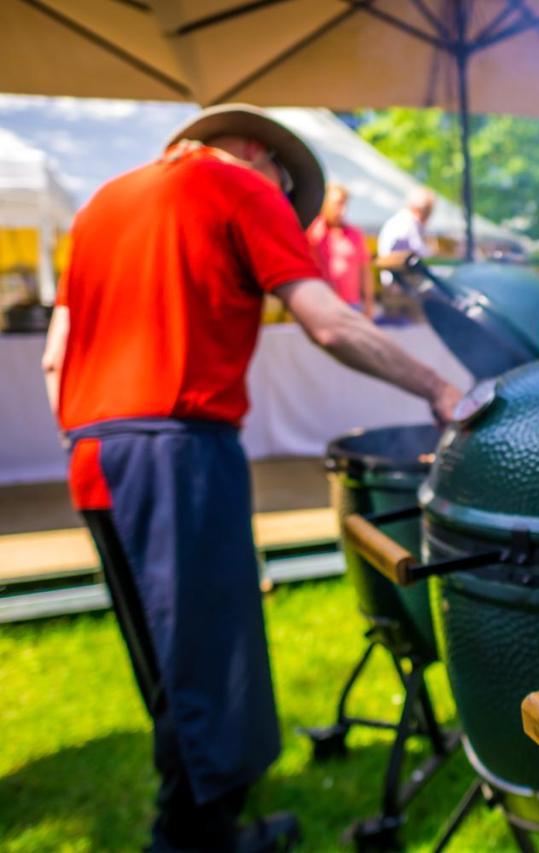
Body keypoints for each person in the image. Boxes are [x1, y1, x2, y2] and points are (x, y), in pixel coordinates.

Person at [41, 104, 464, 853]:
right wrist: (436, 387)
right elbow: (328, 321)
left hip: (94, 454)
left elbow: (55, 356)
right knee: (204, 653)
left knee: (166, 656)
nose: (282, 196)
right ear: (257, 154)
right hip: (179, 448)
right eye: (282, 179)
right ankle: (192, 838)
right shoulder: (237, 188)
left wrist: (96, 434)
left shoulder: (101, 202)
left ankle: (199, 819)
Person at [306, 182, 374, 316]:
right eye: (337, 204)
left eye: (344, 204)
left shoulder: (355, 234)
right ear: (325, 204)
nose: (342, 210)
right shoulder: (313, 231)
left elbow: (365, 271)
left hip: (351, 305)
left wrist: (368, 303)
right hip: (321, 304)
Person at [377, 186, 437, 275]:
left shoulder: (406, 222)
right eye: (427, 209)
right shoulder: (406, 225)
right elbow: (422, 254)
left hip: (404, 280)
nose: (428, 214)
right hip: (402, 282)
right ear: (416, 207)